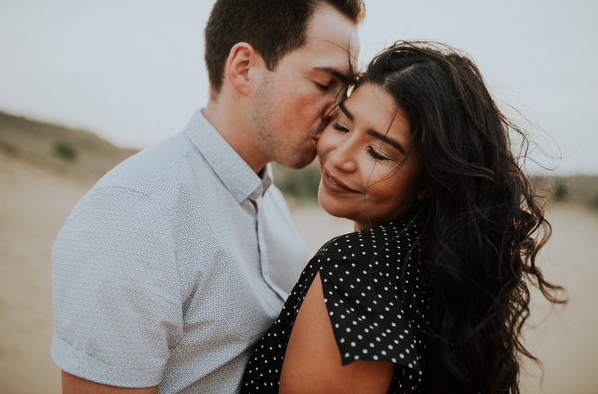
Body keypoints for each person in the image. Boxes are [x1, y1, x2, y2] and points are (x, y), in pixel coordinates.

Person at [50, 0, 364, 393]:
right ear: (244, 68)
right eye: (324, 83)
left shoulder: (273, 204)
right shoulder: (134, 215)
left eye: (346, 89)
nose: (338, 111)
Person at [240, 41, 565, 394]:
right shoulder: (436, 268)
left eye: (378, 152)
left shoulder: (354, 268)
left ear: (429, 181)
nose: (339, 158)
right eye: (342, 126)